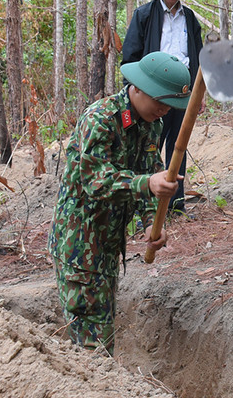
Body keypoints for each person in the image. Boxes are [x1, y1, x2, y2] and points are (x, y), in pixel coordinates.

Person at [48, 51, 191, 355]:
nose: (165, 110)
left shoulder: (151, 124)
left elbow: (150, 173)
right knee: (92, 340)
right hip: (80, 245)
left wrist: (153, 223)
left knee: (102, 325)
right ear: (137, 87)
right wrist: (146, 183)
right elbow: (95, 181)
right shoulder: (100, 119)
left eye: (170, 105)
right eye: (161, 101)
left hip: (109, 243)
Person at [122, 0, 203, 212]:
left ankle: (175, 205)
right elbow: (130, 56)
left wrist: (198, 94)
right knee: (149, 145)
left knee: (179, 146)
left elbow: (198, 58)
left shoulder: (190, 19)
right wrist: (133, 92)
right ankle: (147, 206)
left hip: (183, 92)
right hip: (153, 92)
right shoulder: (144, 15)